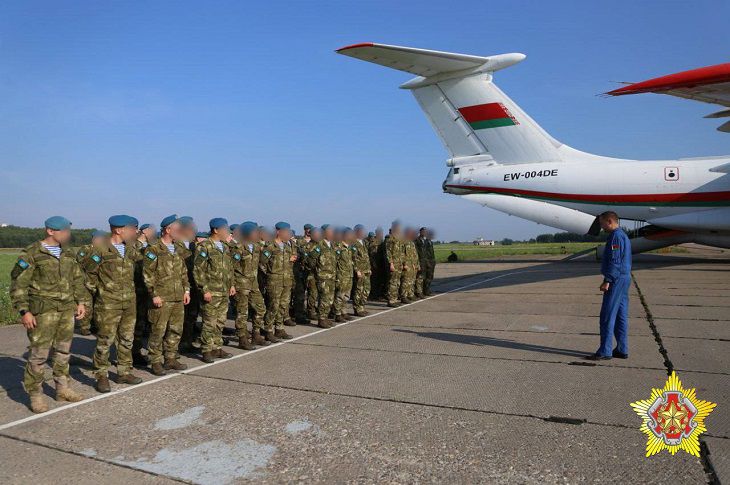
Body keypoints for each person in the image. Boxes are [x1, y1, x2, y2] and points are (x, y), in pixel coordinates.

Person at [10, 216, 89, 413]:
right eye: (64, 231)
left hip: (65, 310)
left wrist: (80, 301)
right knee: (39, 355)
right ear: (50, 231)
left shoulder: (68, 253)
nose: (67, 234)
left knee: (63, 352)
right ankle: (35, 395)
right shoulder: (31, 254)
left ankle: (62, 389)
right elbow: (19, 285)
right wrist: (24, 311)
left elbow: (77, 279)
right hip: (42, 312)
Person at [84, 215, 144, 392]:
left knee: (127, 339)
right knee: (105, 341)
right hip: (108, 304)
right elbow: (89, 278)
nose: (135, 232)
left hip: (129, 302)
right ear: (119, 230)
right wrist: (101, 296)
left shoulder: (130, 248)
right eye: (131, 228)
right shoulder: (100, 249)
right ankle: (101, 376)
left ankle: (124, 372)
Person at [142, 215, 191, 375]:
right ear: (168, 230)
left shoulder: (178, 248)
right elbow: (147, 274)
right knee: (158, 331)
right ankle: (155, 361)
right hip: (161, 298)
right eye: (177, 229)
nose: (180, 232)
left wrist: (187, 290)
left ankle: (170, 358)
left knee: (175, 330)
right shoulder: (153, 249)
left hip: (177, 296)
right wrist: (153, 294)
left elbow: (184, 271)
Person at [587, 211, 632, 361]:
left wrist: (608, 280)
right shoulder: (623, 235)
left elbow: (615, 261)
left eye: (602, 223)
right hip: (624, 278)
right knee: (620, 315)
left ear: (610, 221)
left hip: (616, 279)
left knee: (607, 315)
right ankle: (621, 348)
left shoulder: (615, 237)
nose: (601, 227)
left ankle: (605, 350)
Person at [193, 218, 236, 363]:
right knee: (209, 322)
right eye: (225, 229)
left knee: (220, 322)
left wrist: (232, 285)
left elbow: (229, 268)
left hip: (224, 291)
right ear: (216, 230)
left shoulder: (224, 246)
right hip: (211, 291)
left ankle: (217, 347)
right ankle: (206, 350)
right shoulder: (204, 246)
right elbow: (198, 270)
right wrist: (204, 290)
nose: (227, 232)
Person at [233, 222, 268, 348]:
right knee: (242, 312)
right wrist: (232, 285)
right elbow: (231, 268)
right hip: (241, 285)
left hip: (253, 284)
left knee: (260, 308)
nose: (257, 234)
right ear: (248, 233)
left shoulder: (257, 246)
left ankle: (256, 334)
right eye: (255, 232)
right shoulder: (238, 248)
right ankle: (242, 338)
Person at [261, 222, 296, 341]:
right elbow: (262, 263)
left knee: (283, 306)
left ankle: (279, 329)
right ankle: (268, 330)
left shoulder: (287, 246)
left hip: (286, 281)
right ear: (278, 232)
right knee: (273, 306)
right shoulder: (270, 246)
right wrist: (270, 274)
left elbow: (289, 264)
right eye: (286, 232)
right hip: (274, 282)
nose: (288, 234)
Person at [75, 229, 107, 335]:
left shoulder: (106, 249)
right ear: (93, 238)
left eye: (101, 238)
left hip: (100, 281)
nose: (99, 240)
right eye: (97, 238)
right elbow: (80, 262)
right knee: (87, 305)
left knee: (98, 305)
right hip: (86, 281)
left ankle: (95, 325)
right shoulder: (85, 249)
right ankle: (85, 327)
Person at [307, 224, 337, 328]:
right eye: (330, 231)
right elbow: (311, 260)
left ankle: (325, 316)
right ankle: (321, 319)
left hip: (332, 276)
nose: (332, 233)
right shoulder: (319, 245)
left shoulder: (331, 245)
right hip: (322, 276)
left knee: (330, 299)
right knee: (324, 298)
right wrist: (317, 271)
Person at [178, 217, 200, 354]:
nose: (194, 231)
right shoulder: (175, 246)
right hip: (180, 288)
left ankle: (187, 341)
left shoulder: (193, 245)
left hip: (194, 286)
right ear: (184, 229)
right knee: (179, 318)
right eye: (192, 228)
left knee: (191, 316)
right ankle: (176, 345)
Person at [333, 227, 355, 323]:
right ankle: (337, 314)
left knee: (346, 296)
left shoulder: (349, 248)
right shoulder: (338, 247)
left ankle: (344, 311)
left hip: (349, 275)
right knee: (339, 295)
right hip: (341, 276)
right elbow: (334, 262)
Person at [352, 224, 372, 316]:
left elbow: (366, 257)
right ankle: (357, 309)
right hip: (360, 271)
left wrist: (369, 268)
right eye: (361, 231)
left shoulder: (363, 242)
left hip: (366, 270)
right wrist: (357, 270)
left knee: (366, 289)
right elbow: (353, 258)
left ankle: (362, 306)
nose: (363, 233)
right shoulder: (354, 243)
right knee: (358, 290)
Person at [385, 222, 406, 307]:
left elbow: (402, 252)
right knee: (392, 282)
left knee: (397, 282)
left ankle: (395, 299)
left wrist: (403, 263)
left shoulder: (399, 239)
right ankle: (391, 300)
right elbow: (388, 252)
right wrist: (391, 264)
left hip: (399, 263)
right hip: (393, 264)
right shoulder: (390, 238)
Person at [401, 228, 420, 303]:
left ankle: (410, 294)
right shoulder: (403, 242)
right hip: (407, 264)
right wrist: (404, 264)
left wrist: (417, 264)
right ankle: (403, 296)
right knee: (405, 281)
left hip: (413, 265)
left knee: (411, 281)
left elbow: (415, 255)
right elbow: (402, 254)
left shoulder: (411, 243)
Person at [414, 227, 435, 298]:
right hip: (421, 261)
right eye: (423, 231)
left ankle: (426, 290)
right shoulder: (417, 240)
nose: (424, 233)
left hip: (427, 261)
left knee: (427, 277)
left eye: (425, 232)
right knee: (420, 277)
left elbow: (427, 252)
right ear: (420, 232)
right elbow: (416, 252)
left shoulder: (426, 241)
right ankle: (419, 292)